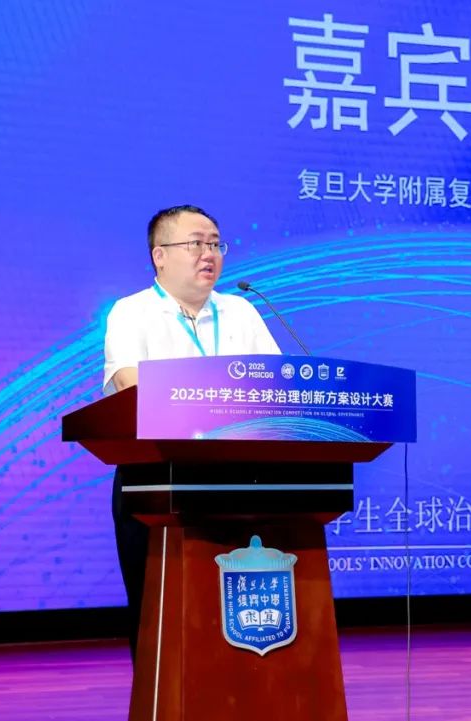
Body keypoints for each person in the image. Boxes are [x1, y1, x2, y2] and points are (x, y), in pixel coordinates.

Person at [102, 205, 281, 661]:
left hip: (242, 482)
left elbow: (278, 390)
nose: (209, 253)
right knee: (159, 615)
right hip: (158, 481)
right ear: (159, 255)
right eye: (196, 243)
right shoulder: (131, 312)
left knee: (232, 612)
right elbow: (130, 386)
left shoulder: (241, 310)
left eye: (215, 243)